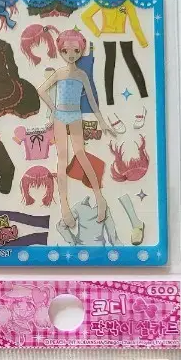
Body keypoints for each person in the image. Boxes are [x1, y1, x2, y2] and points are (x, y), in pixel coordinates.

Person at [37, 30, 117, 230]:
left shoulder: (81, 75)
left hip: (74, 115)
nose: (71, 54)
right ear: (61, 51)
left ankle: (100, 198)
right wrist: (53, 108)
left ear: (81, 50)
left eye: (75, 50)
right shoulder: (59, 73)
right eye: (65, 51)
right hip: (60, 117)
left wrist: (102, 121)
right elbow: (41, 90)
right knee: (62, 159)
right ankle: (65, 208)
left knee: (81, 154)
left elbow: (92, 100)